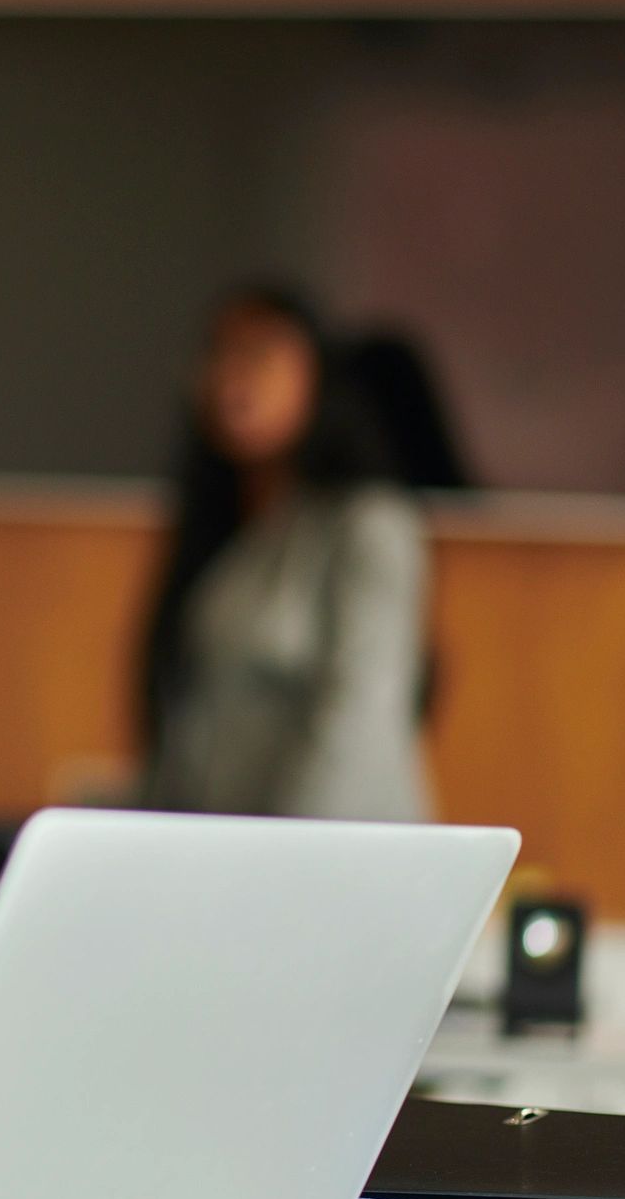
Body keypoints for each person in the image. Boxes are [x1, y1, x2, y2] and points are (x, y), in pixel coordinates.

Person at [136, 284, 434, 824]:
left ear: (317, 374)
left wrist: (289, 859)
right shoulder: (219, 527)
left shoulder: (368, 524)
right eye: (219, 354)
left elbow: (362, 711)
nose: (234, 377)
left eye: (260, 354)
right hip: (221, 851)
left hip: (332, 853)